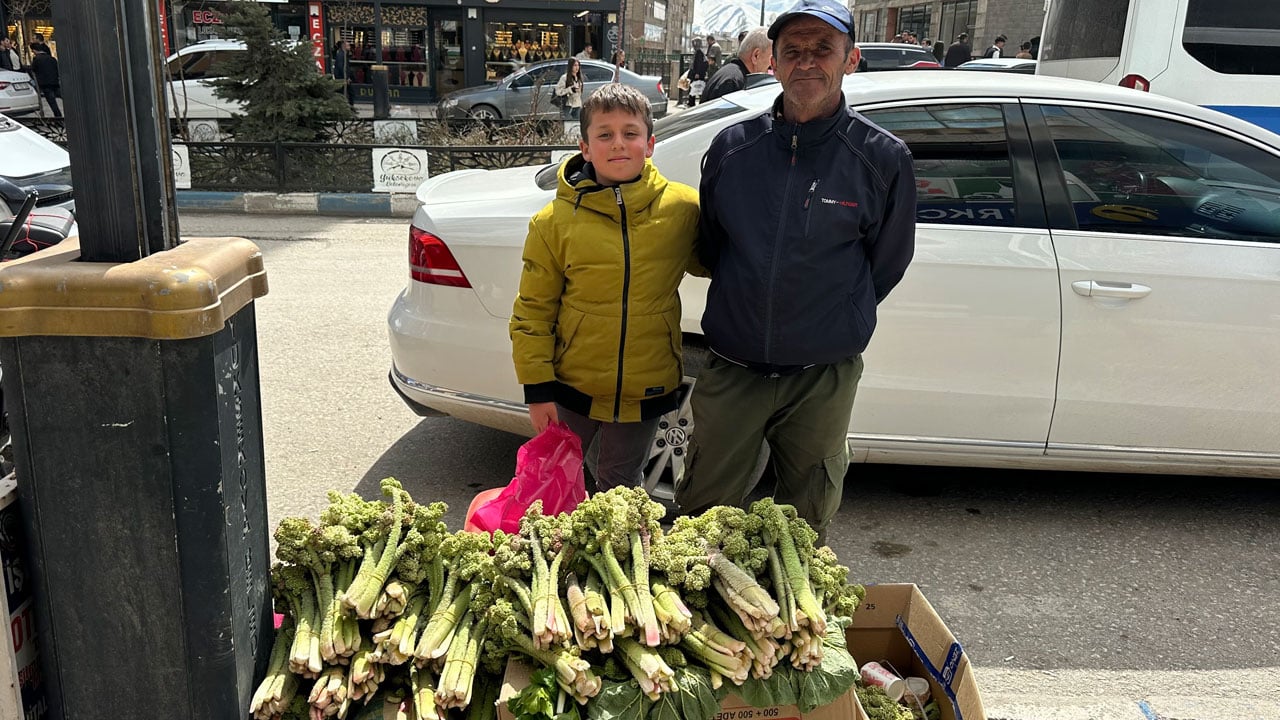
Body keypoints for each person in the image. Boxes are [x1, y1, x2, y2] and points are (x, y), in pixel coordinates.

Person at [677, 0, 916, 540]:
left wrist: (829, 319)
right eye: (793, 51)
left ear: (851, 59)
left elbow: (887, 263)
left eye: (822, 49)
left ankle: (783, 625)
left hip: (821, 379)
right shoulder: (732, 151)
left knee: (803, 529)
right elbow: (714, 247)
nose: (807, 62)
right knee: (702, 525)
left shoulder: (881, 158)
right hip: (733, 369)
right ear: (773, 63)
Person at [509, 83, 703, 492]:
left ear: (649, 144)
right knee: (554, 487)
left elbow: (718, 263)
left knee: (621, 490)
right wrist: (538, 391)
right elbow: (532, 312)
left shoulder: (684, 209)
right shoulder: (554, 223)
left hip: (646, 386)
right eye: (604, 134)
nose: (619, 144)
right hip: (571, 388)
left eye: (630, 133)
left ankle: (617, 554)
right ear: (584, 146)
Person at [702, 26, 772, 103]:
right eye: (771, 57)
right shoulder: (734, 83)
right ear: (756, 55)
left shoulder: (731, 75)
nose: (772, 64)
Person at [30, 46, 61, 118]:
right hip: (54, 81)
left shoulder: (37, 59)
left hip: (45, 83)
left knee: (52, 101)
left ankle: (58, 115)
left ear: (35, 50)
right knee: (60, 96)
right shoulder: (52, 59)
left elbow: (33, 69)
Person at [332, 40, 353, 105]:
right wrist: (346, 78)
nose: (349, 47)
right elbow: (341, 67)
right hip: (341, 77)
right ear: (344, 46)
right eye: (348, 45)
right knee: (349, 93)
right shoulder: (342, 55)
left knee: (344, 92)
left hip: (341, 77)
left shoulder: (343, 54)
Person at [689, 37, 709, 104]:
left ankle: (693, 102)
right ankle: (692, 101)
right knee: (696, 87)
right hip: (698, 73)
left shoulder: (699, 53)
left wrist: (697, 73)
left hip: (697, 74)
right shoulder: (699, 52)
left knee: (697, 87)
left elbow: (699, 64)